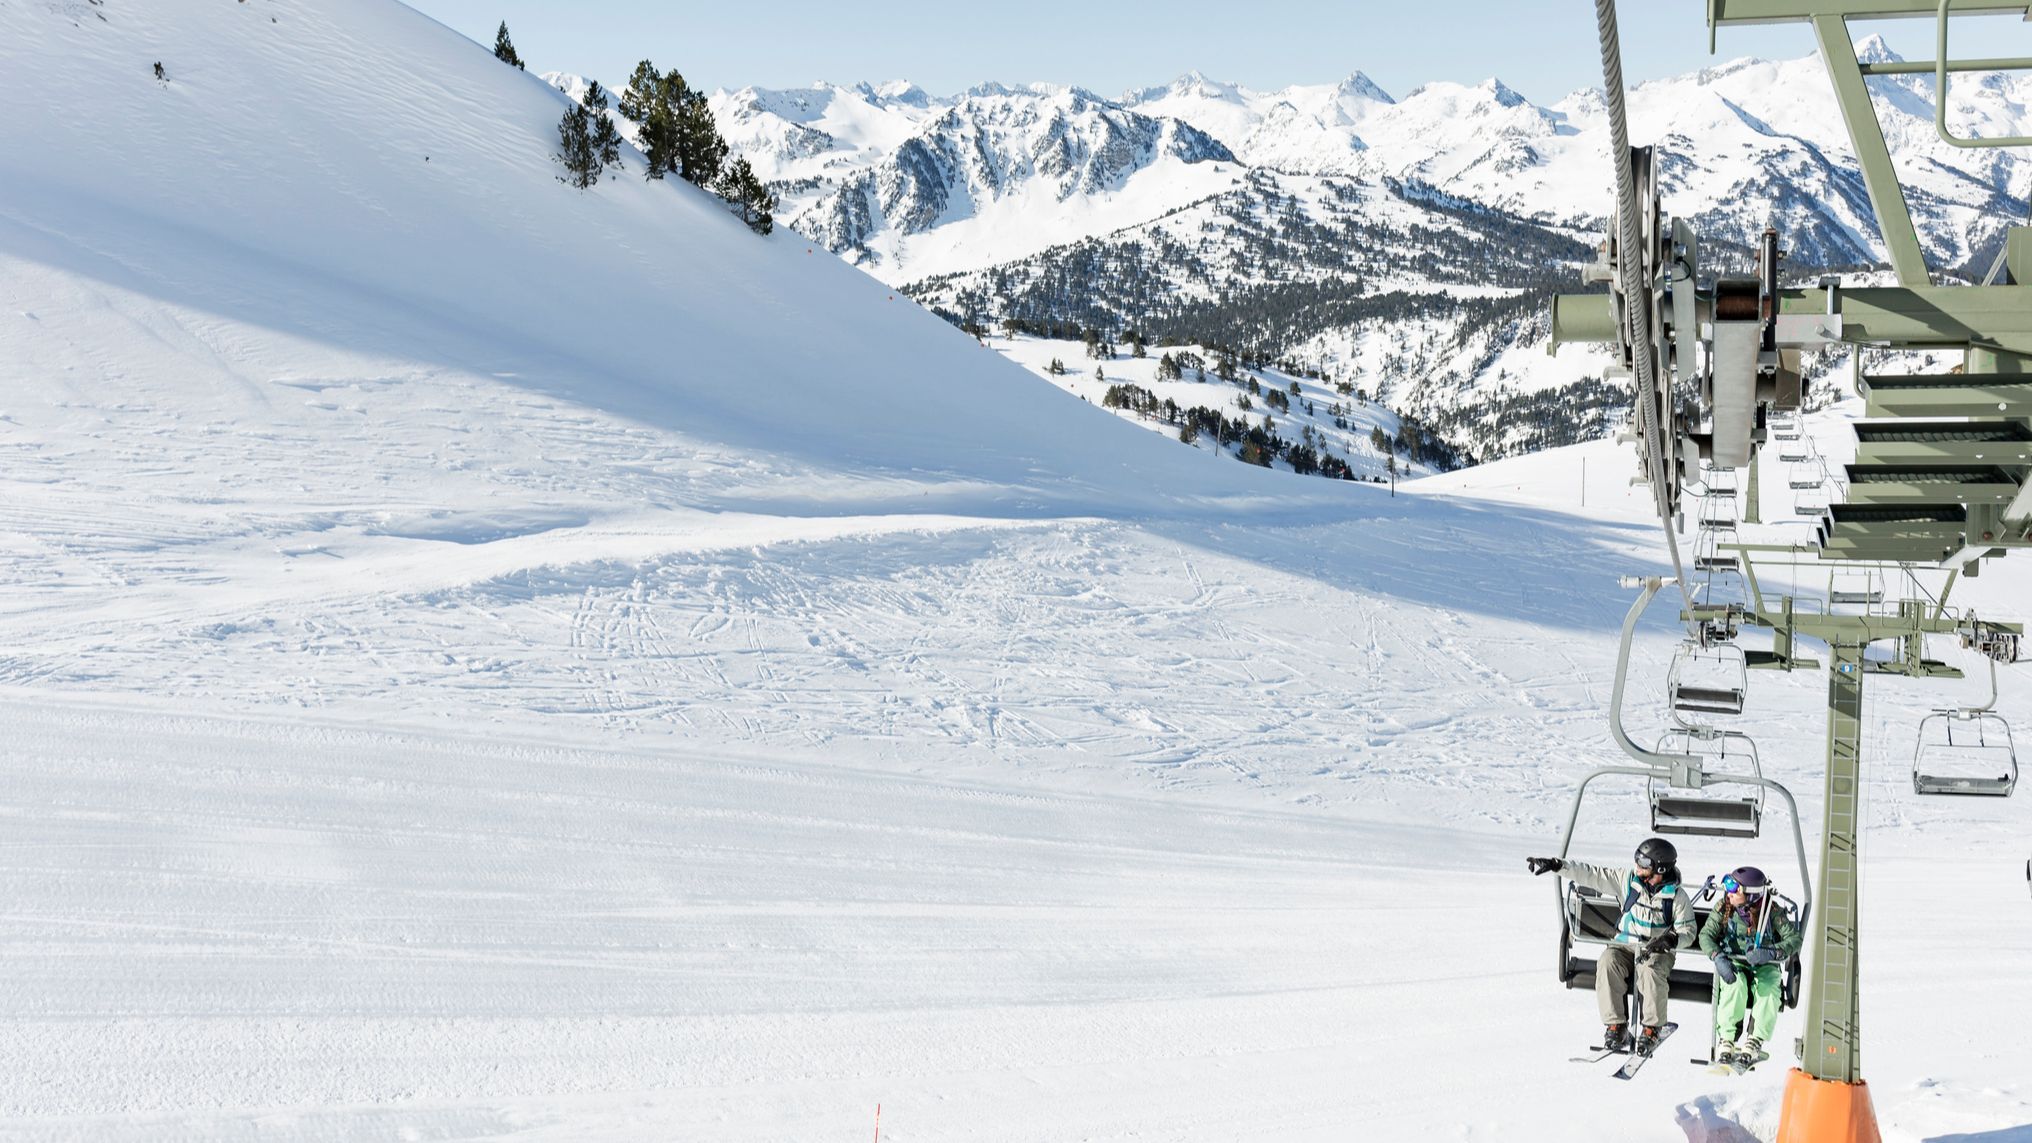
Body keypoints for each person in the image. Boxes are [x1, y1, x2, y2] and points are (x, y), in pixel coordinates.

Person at [1526, 837, 1696, 1055]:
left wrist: (1671, 940)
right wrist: (1557, 865)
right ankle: (1617, 1027)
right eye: (1637, 861)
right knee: (1607, 962)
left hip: (1656, 950)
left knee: (1650, 971)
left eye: (1643, 864)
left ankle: (1652, 1028)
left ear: (1659, 868)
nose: (1637, 867)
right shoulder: (1628, 880)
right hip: (1625, 945)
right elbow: (1593, 874)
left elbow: (1688, 932)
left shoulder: (1677, 897)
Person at [1698, 865, 1802, 1064]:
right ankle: (1727, 1039)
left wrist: (1771, 952)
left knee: (1769, 987)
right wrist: (1718, 956)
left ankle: (1755, 1039)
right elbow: (1706, 935)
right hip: (1735, 961)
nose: (1729, 893)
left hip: (1764, 963)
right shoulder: (1724, 907)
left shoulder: (1770, 911)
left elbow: (1793, 939)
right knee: (1734, 986)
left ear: (1750, 894)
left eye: (1734, 889)